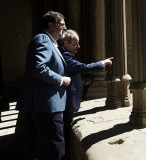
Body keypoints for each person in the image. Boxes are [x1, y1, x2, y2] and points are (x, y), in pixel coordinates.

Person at [16, 11, 71, 160]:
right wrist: (61, 79)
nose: (65, 28)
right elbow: (39, 67)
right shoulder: (43, 39)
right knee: (55, 148)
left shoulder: (51, 42)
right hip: (46, 106)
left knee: (45, 148)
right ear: (50, 25)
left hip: (45, 105)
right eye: (62, 24)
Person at [57, 29, 113, 160]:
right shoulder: (64, 55)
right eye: (75, 44)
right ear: (65, 44)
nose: (78, 47)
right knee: (65, 132)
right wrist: (102, 63)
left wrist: (81, 81)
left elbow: (71, 72)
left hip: (68, 98)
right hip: (67, 100)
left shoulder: (66, 54)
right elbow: (83, 67)